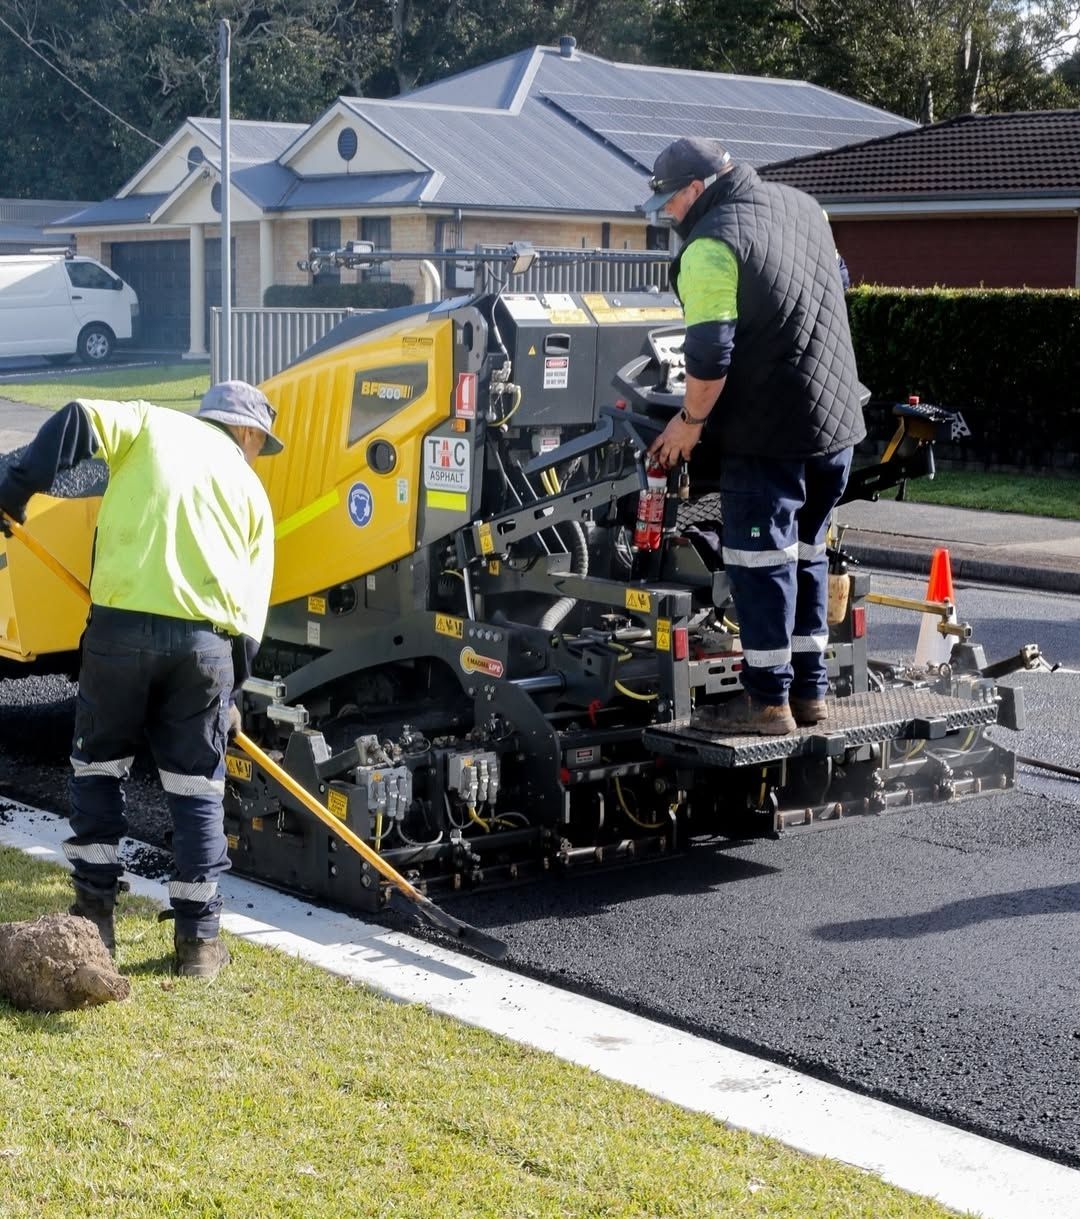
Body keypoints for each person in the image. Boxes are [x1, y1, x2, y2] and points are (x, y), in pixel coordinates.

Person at [0, 381, 282, 977]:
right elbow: (252, 618)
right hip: (206, 649)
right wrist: (230, 693)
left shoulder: (152, 423)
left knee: (99, 768)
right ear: (250, 433)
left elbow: (76, 418)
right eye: (263, 443)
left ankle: (95, 921)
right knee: (196, 788)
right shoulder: (254, 494)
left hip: (120, 633)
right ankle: (200, 944)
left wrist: (13, 489)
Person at [642, 137, 866, 736]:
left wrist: (688, 423)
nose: (666, 213)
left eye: (668, 200)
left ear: (696, 189)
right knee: (809, 553)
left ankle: (767, 703)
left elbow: (711, 351)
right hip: (835, 424)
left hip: (772, 435)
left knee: (762, 562)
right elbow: (828, 291)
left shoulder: (712, 243)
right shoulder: (803, 208)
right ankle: (810, 692)